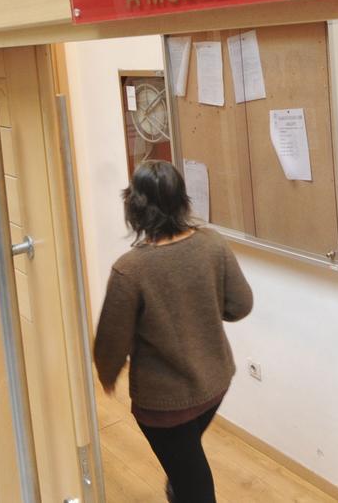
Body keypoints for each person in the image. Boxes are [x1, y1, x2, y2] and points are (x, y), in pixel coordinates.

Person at [94, 160, 253, 503]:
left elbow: (111, 342)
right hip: (215, 382)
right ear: (182, 200)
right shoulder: (213, 244)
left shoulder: (130, 269)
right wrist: (204, 309)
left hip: (165, 404)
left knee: (192, 479)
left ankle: (182, 487)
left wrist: (107, 376)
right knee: (186, 461)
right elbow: (240, 305)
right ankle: (179, 485)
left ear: (134, 206)